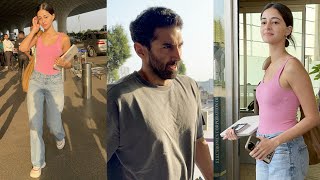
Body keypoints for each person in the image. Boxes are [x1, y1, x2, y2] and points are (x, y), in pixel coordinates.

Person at [107, 7, 213, 180]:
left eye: (180, 45)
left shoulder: (190, 86)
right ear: (140, 50)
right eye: (167, 47)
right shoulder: (117, 99)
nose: (178, 55)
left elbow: (198, 142)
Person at [223, 2, 320, 180]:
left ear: (288, 30)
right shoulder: (268, 66)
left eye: (275, 22)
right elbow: (271, 113)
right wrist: (240, 130)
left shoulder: (292, 66)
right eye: (263, 22)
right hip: (263, 145)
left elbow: (313, 117)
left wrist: (274, 142)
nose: (267, 26)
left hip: (285, 148)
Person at [19, 2, 71, 178]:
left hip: (55, 83)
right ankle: (37, 163)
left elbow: (70, 62)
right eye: (40, 18)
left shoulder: (63, 38)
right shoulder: (38, 36)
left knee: (54, 124)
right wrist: (33, 29)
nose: (43, 20)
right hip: (37, 81)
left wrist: (65, 63)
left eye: (46, 17)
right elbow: (23, 48)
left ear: (54, 16)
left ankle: (60, 136)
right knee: (35, 126)